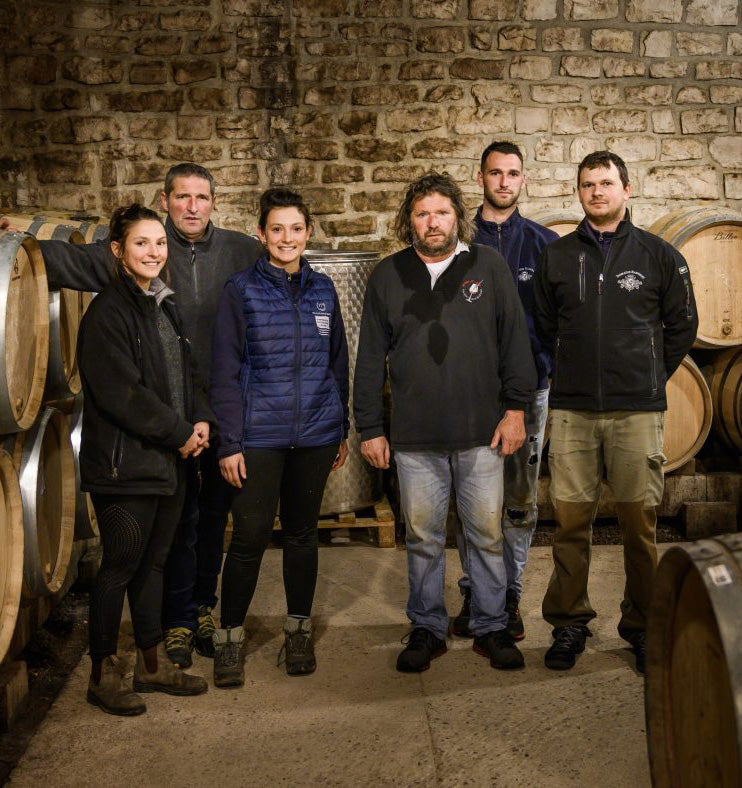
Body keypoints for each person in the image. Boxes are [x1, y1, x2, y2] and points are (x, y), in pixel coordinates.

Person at [31, 163, 262, 668]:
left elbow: (268, 298)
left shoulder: (237, 254)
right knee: (168, 534)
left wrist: (208, 417)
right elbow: (67, 258)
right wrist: (21, 244)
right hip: (160, 431)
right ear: (165, 200)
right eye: (182, 197)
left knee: (209, 521)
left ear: (214, 202)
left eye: (202, 196)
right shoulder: (128, 282)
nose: (192, 206)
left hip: (213, 410)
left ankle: (199, 610)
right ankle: (171, 625)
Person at [354, 172, 536, 673]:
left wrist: (517, 410)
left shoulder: (489, 266)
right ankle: (427, 628)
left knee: (485, 534)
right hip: (415, 440)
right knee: (423, 537)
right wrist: (370, 428)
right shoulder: (388, 276)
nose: (432, 222)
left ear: (458, 215)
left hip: (482, 433)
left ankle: (491, 626)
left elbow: (515, 344)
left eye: (441, 212)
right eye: (421, 213)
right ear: (408, 221)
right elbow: (369, 359)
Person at [533, 151, 698, 673]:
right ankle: (568, 624)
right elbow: (540, 327)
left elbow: (683, 327)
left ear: (628, 190)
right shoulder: (557, 257)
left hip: (636, 413)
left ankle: (644, 625)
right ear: (578, 193)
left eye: (606, 183)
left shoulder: (659, 255)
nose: (597, 192)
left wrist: (648, 375)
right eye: (587, 184)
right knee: (570, 524)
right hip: (573, 411)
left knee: (638, 524)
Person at [209, 188, 349, 687]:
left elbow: (338, 364)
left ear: (308, 232)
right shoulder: (240, 290)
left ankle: (297, 629)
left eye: (295, 228)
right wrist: (229, 443)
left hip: (314, 433)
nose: (286, 238)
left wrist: (340, 427)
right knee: (247, 538)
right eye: (277, 229)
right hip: (257, 439)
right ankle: (229, 636)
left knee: (301, 534)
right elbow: (224, 372)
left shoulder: (324, 290)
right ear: (261, 235)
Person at [78, 204, 211, 715]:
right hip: (124, 467)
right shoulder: (107, 313)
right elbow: (123, 394)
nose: (154, 252)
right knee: (119, 567)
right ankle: (102, 672)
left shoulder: (164, 306)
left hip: (167, 463)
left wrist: (199, 420)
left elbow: (187, 373)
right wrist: (179, 432)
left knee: (153, 564)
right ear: (118, 250)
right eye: (142, 243)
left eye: (160, 243)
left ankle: (151, 665)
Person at [452, 141, 558, 642]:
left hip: (529, 391)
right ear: (480, 178)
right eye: (495, 173)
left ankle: (509, 592)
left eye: (513, 174)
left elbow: (555, 322)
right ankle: (476, 590)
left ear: (523, 181)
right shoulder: (456, 243)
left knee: (518, 497)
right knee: (471, 497)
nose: (504, 182)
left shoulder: (542, 245)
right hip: (470, 391)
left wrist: (543, 370)